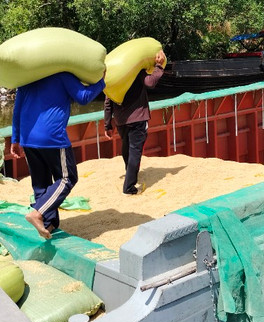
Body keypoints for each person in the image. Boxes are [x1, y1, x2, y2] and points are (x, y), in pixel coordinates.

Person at [10, 70, 106, 239]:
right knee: (67, 178)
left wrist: (15, 139)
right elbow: (83, 97)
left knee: (41, 184)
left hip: (28, 137)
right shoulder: (62, 76)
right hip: (51, 137)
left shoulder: (27, 76)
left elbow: (17, 110)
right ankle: (37, 213)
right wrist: (101, 82)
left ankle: (48, 226)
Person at [104, 50, 167, 194]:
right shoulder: (137, 73)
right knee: (135, 151)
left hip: (121, 121)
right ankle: (129, 187)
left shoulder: (115, 78)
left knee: (126, 148)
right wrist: (159, 66)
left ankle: (129, 174)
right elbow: (150, 82)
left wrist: (108, 124)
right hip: (138, 118)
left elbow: (108, 102)